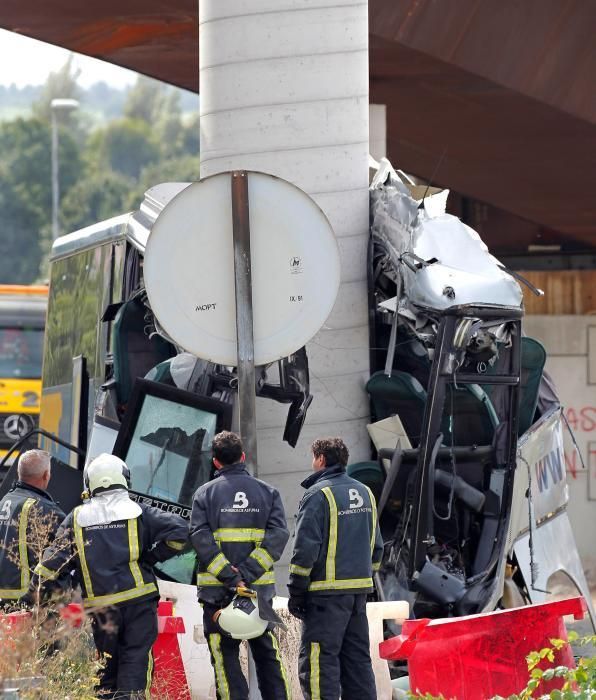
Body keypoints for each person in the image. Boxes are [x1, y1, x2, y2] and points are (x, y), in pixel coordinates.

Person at [35, 453, 189, 700]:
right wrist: (151, 558)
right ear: (124, 479)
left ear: (90, 484)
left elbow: (47, 568)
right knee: (135, 665)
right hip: (139, 604)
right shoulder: (138, 512)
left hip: (102, 608)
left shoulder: (76, 519)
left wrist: (42, 598)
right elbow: (181, 532)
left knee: (107, 670)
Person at [190, 431, 291, 700]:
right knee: (269, 660)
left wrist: (231, 577)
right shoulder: (269, 493)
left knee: (226, 664)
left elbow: (201, 541)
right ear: (243, 457)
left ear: (215, 462)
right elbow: (279, 536)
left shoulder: (203, 494)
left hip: (217, 596)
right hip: (259, 594)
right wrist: (247, 574)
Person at [288, 437, 383, 700]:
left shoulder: (318, 495)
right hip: (358, 595)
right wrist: (362, 579)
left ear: (320, 459)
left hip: (324, 597)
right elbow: (377, 548)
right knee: (357, 662)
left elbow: (305, 550)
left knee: (319, 662)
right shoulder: (366, 493)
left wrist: (296, 591)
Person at [0, 449, 65, 608]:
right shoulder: (45, 509)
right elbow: (63, 557)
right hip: (25, 603)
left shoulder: (5, 500)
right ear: (46, 475)